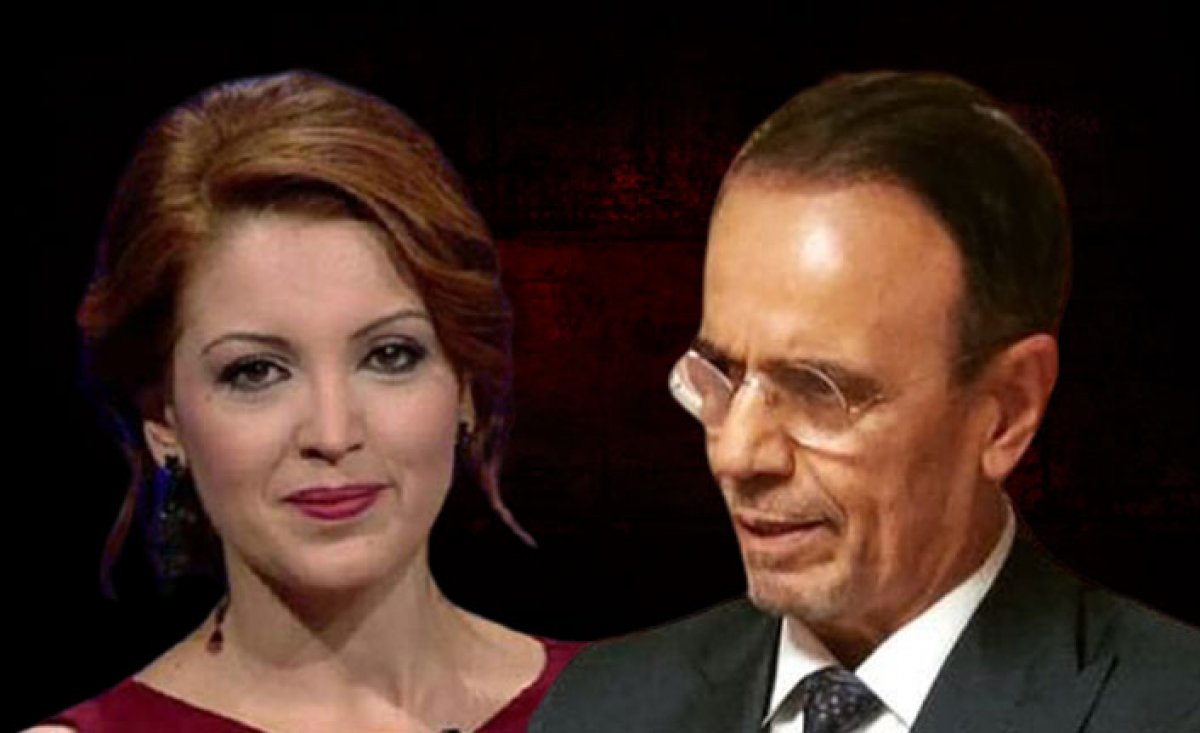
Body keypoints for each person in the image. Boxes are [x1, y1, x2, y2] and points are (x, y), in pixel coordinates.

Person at [531, 71, 1200, 732]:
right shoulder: (598, 708)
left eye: (816, 390)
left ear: (1008, 411)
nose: (737, 453)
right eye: (723, 373)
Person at [34, 70, 582, 733]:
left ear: (464, 385)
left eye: (389, 355)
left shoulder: (644, 706)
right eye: (255, 371)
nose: (331, 431)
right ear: (162, 419)